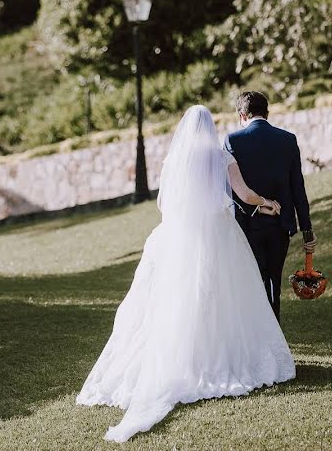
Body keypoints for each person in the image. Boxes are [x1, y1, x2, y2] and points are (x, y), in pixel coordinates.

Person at [76, 105, 295, 443]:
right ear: (209, 128)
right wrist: (266, 202)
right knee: (224, 297)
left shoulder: (174, 160)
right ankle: (216, 360)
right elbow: (244, 194)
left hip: (178, 237)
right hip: (220, 236)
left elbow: (165, 203)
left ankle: (183, 360)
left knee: (177, 299)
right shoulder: (221, 156)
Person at [226, 91, 316, 322]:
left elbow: (234, 191)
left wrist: (256, 208)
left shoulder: (233, 141)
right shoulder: (288, 139)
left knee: (256, 282)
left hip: (248, 226)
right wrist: (307, 230)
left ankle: (261, 338)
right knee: (274, 280)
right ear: (267, 112)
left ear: (242, 114)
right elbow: (298, 188)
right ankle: (274, 334)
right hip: (280, 226)